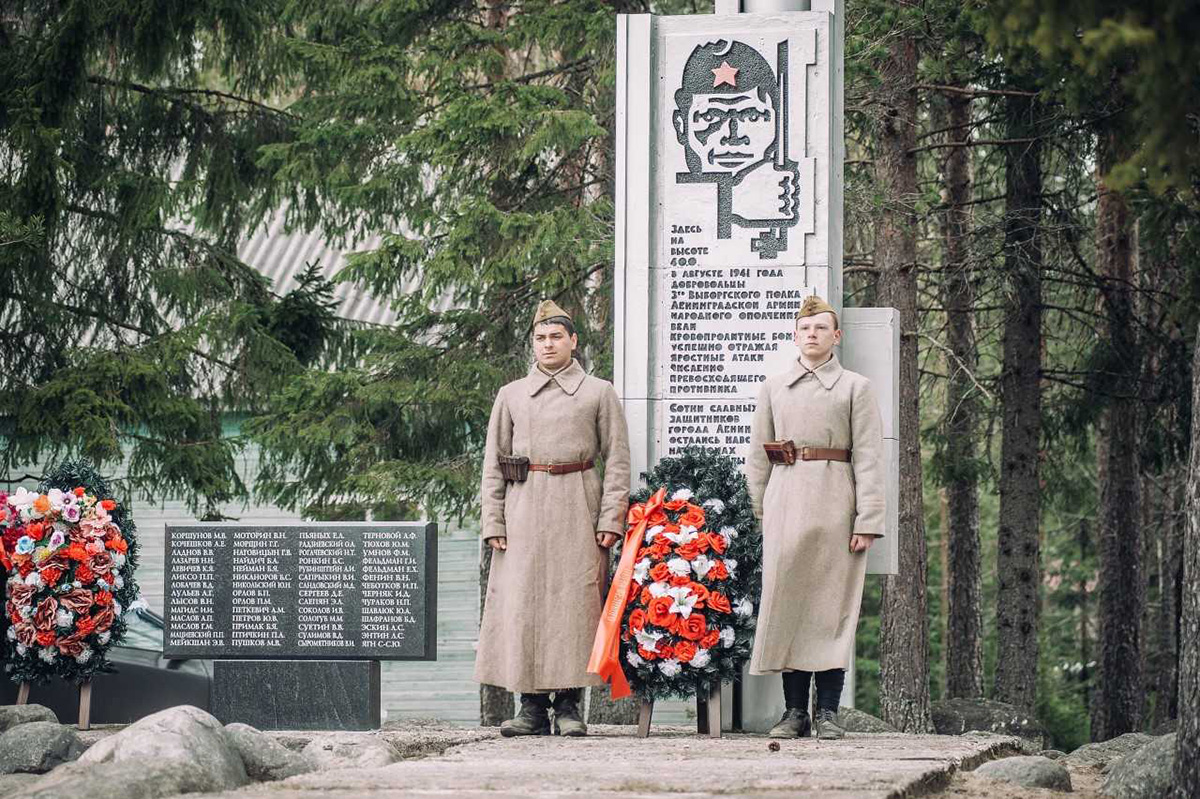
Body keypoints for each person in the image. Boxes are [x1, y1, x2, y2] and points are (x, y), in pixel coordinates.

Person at [474, 300, 632, 737]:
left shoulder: (598, 392)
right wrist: (494, 522)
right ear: (533, 344)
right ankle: (530, 708)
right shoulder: (511, 395)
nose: (548, 344)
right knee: (523, 603)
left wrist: (611, 518)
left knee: (573, 604)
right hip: (523, 506)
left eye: (556, 336)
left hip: (577, 502)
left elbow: (617, 460)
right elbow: (493, 464)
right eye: (541, 338)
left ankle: (568, 706)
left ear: (573, 341)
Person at [745, 295, 886, 740]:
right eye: (805, 329)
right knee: (789, 606)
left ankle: (826, 713)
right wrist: (758, 512)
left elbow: (868, 457)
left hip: (835, 506)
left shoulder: (854, 388)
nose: (812, 335)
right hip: (786, 503)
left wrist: (867, 520)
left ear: (836, 336)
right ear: (794, 335)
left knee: (831, 610)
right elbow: (757, 458)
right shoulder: (774, 387)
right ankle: (793, 713)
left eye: (821, 329)